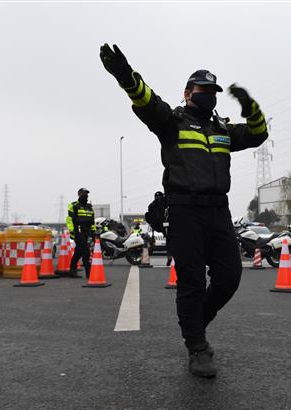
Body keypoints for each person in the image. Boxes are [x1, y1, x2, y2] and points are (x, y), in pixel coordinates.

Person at [100, 43, 268, 378]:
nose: (209, 95)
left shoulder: (223, 130)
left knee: (230, 277)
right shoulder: (172, 122)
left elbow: (258, 134)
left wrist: (250, 107)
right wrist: (125, 75)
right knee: (190, 281)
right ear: (188, 93)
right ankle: (197, 347)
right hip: (184, 212)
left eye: (213, 91)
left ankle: (195, 324)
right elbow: (147, 101)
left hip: (219, 212)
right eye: (203, 90)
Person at [66, 188, 95, 278]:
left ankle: (72, 269)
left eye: (87, 194)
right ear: (79, 194)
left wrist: (93, 232)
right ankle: (89, 273)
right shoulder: (74, 205)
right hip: (78, 230)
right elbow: (69, 219)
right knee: (86, 251)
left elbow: (92, 221)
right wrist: (72, 231)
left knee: (78, 252)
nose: (86, 195)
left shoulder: (89, 207)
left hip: (86, 232)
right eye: (84, 194)